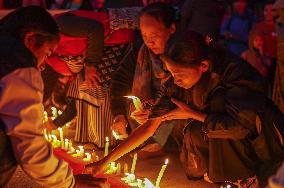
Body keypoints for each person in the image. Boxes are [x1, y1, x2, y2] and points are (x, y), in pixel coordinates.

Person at [87, 31, 284, 186]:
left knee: (216, 104)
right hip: (224, 128)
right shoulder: (176, 82)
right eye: (172, 73)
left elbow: (240, 126)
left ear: (204, 66)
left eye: (179, 73)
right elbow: (149, 127)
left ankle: (247, 176)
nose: (176, 79)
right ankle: (225, 175)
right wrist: (105, 160)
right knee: (198, 125)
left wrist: (191, 114)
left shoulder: (235, 73)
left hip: (261, 140)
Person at [0, 6, 107, 187]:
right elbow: (30, 149)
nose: (42, 65)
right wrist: (69, 183)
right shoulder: (18, 65)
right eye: (47, 53)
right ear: (30, 39)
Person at [43, 7, 140, 148]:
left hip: (117, 38)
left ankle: (105, 139)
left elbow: (95, 29)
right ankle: (88, 136)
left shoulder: (60, 24)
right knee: (81, 86)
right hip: (98, 48)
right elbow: (69, 70)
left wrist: (90, 66)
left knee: (94, 84)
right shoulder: (52, 53)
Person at [110, 2, 177, 158]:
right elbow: (120, 80)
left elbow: (183, 94)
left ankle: (161, 143)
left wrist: (156, 112)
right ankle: (145, 140)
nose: (149, 42)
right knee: (130, 101)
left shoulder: (184, 54)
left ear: (172, 29)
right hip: (150, 111)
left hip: (172, 112)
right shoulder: (140, 51)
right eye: (144, 36)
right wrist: (118, 115)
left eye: (154, 36)